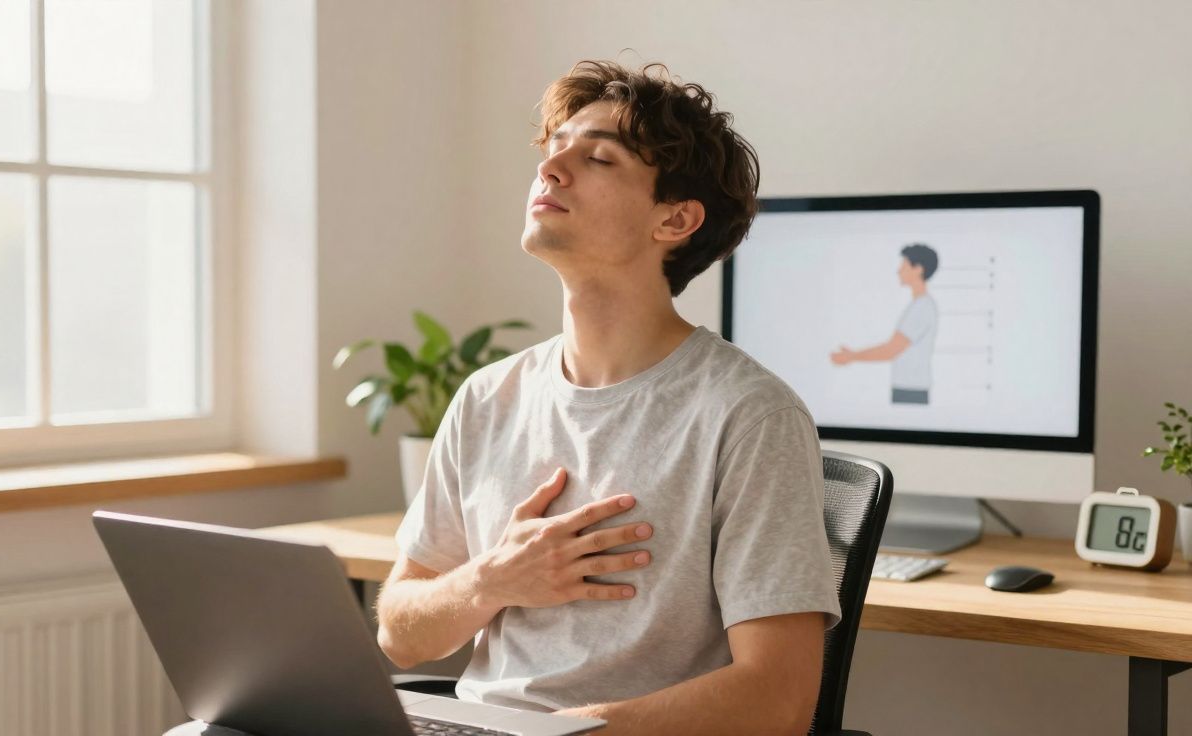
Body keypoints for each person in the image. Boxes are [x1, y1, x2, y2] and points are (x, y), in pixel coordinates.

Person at [376, 60, 841, 736]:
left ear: (674, 219)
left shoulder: (748, 415)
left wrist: (562, 731)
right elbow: (400, 634)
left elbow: (777, 699)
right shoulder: (487, 397)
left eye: (597, 157)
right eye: (554, 147)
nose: (552, 167)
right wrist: (492, 581)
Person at [830, 243, 940, 405]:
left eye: (904, 265)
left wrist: (851, 356)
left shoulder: (922, 307)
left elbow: (890, 350)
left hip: (910, 391)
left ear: (918, 269)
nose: (899, 271)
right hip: (909, 389)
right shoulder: (919, 305)